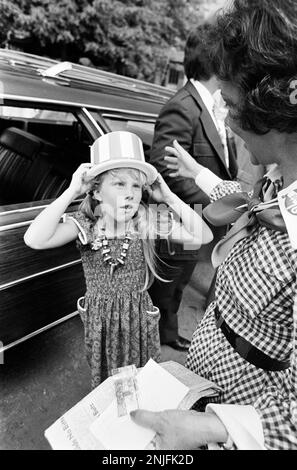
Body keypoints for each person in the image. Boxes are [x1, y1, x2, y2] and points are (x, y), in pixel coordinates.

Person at [131, 0, 297, 449]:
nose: (224, 117)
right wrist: (189, 177)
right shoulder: (278, 183)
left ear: (273, 103)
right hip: (209, 364)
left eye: (229, 102)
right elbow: (247, 204)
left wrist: (215, 428)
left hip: (248, 398)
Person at [24, 131, 213, 389]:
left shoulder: (145, 220)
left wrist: (167, 196)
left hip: (138, 318)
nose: (130, 194)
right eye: (119, 184)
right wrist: (71, 192)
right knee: (107, 382)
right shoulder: (85, 225)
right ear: (97, 192)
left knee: (138, 379)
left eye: (136, 185)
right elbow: (34, 239)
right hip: (100, 322)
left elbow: (202, 235)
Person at [148, 23, 238, 351]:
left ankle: (164, 332)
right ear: (218, 61)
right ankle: (161, 337)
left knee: (181, 277)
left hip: (199, 215)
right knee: (170, 280)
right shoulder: (182, 105)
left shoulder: (208, 104)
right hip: (184, 215)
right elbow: (165, 170)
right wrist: (217, 204)